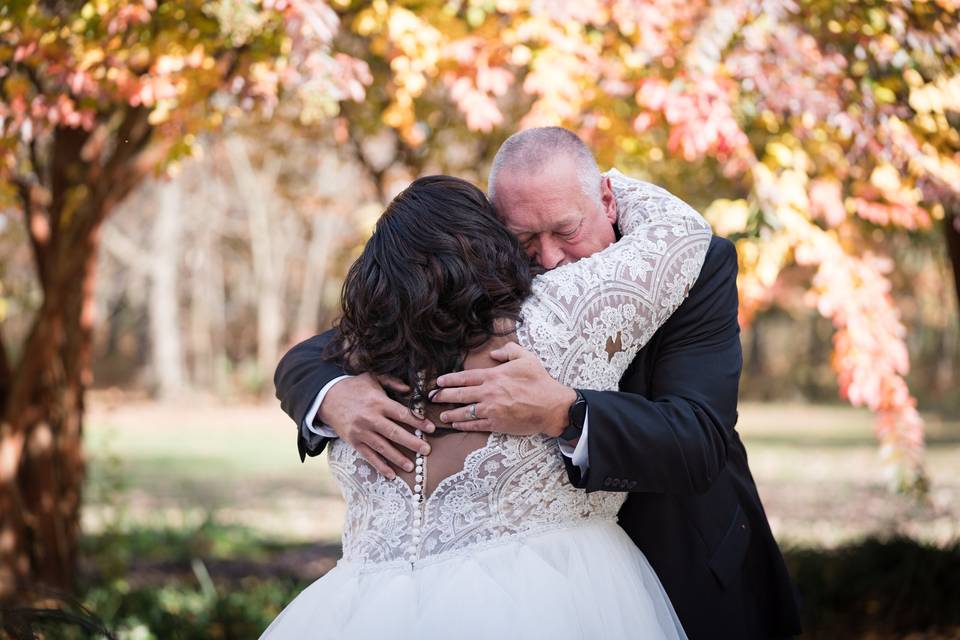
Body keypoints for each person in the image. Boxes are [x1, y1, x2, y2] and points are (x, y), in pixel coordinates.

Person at [273, 128, 802, 638]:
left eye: (566, 231)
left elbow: (699, 435)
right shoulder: (480, 280)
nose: (548, 258)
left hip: (676, 555)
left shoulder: (692, 267)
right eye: (523, 237)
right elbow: (317, 352)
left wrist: (563, 412)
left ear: (609, 202)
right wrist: (332, 395)